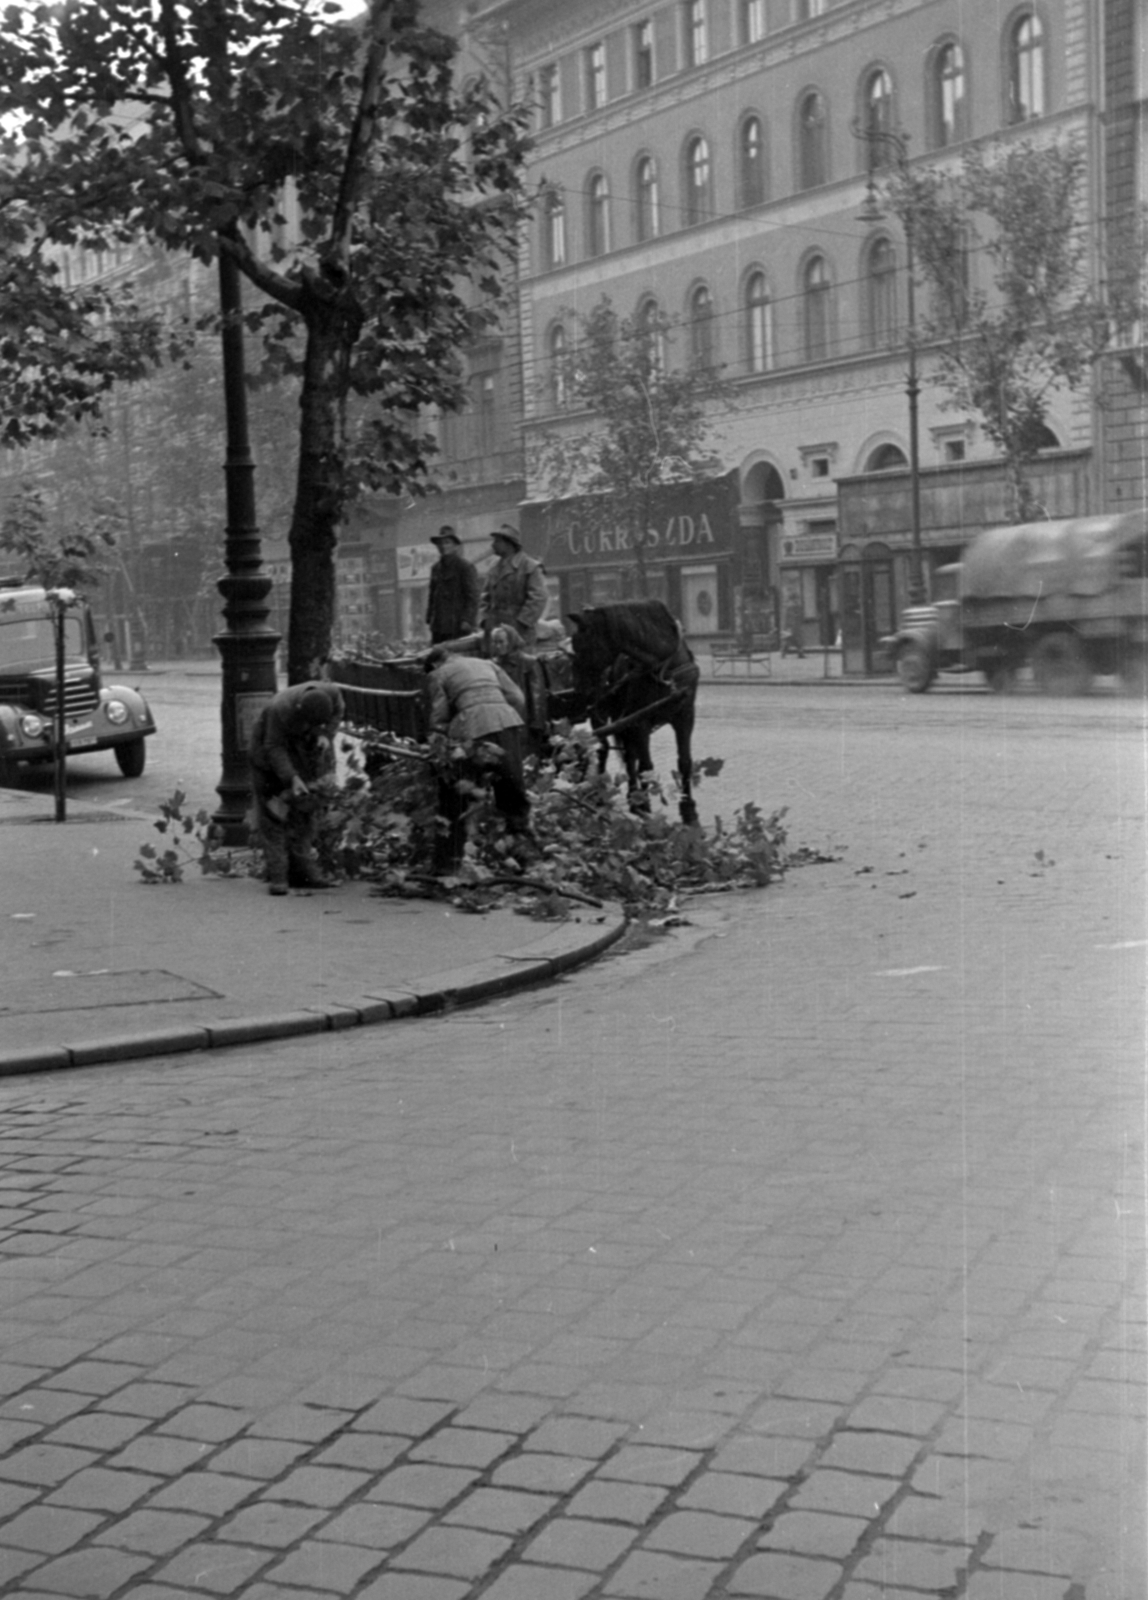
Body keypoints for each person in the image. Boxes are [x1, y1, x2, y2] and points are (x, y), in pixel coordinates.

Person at [426, 646, 532, 868]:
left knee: (459, 793)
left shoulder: (437, 674)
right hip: (506, 722)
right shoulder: (488, 663)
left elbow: (438, 717)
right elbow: (518, 698)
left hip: (471, 729)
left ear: (435, 664)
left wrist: (444, 739)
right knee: (512, 791)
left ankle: (451, 862)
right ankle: (523, 859)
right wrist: (500, 715)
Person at [249, 681, 344, 895]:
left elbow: (337, 714)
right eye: (307, 724)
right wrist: (291, 777)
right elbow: (274, 746)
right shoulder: (279, 709)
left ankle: (304, 874)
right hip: (266, 754)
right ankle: (279, 877)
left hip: (302, 750)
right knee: (274, 814)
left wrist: (325, 734)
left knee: (304, 811)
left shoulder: (333, 695)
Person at [480, 524, 548, 648]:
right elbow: (485, 597)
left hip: (519, 630)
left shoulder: (529, 566)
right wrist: (484, 620)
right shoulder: (493, 567)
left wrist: (521, 622)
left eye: (497, 541)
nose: (493, 545)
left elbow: (538, 597)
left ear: (509, 544)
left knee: (519, 663)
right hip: (494, 629)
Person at [425, 525, 480, 644]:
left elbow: (473, 597)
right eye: (440, 543)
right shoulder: (436, 569)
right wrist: (430, 618)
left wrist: (467, 620)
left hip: (458, 625)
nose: (443, 546)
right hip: (439, 626)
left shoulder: (465, 567)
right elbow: (432, 595)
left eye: (447, 542)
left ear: (455, 546)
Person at [781, 592, 805, 658]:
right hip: (793, 626)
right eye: (796, 598)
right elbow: (797, 616)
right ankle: (800, 653)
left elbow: (786, 617)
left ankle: (783, 653)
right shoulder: (795, 606)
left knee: (786, 641)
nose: (797, 599)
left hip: (787, 626)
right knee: (797, 640)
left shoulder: (786, 606)